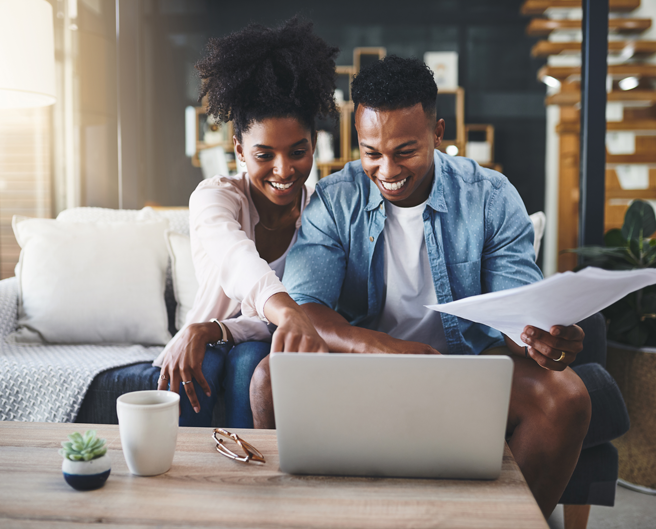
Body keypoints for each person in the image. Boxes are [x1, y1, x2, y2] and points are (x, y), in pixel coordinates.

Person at [250, 56, 591, 518]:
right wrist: (385, 349)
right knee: (270, 377)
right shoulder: (335, 199)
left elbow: (516, 310)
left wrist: (541, 338)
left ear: (438, 133)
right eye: (371, 152)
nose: (386, 169)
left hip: (465, 368)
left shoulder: (489, 196)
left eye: (405, 151)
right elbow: (306, 306)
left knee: (565, 396)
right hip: (361, 367)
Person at [155, 18, 336, 428]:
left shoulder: (321, 214)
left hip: (264, 343)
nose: (284, 170)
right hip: (226, 339)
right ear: (239, 149)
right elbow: (239, 263)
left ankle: (255, 480)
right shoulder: (214, 198)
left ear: (314, 146)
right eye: (264, 154)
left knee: (251, 363)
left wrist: (216, 329)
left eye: (298, 152)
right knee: (198, 364)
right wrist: (287, 314)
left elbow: (310, 308)